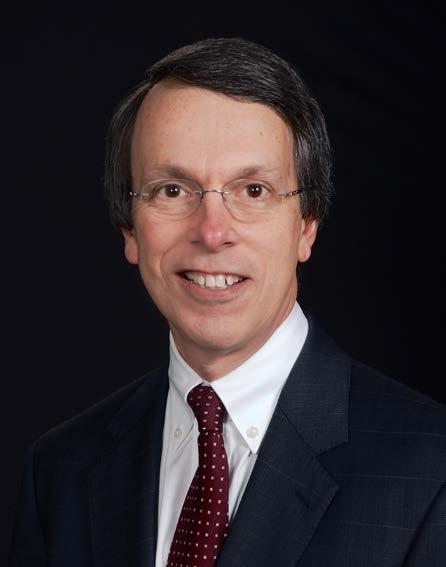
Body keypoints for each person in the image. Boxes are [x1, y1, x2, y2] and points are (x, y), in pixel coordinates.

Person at [9, 37, 446, 567]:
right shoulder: (60, 472)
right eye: (172, 190)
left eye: (253, 191)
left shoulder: (432, 472)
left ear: (306, 225)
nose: (213, 233)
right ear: (129, 228)